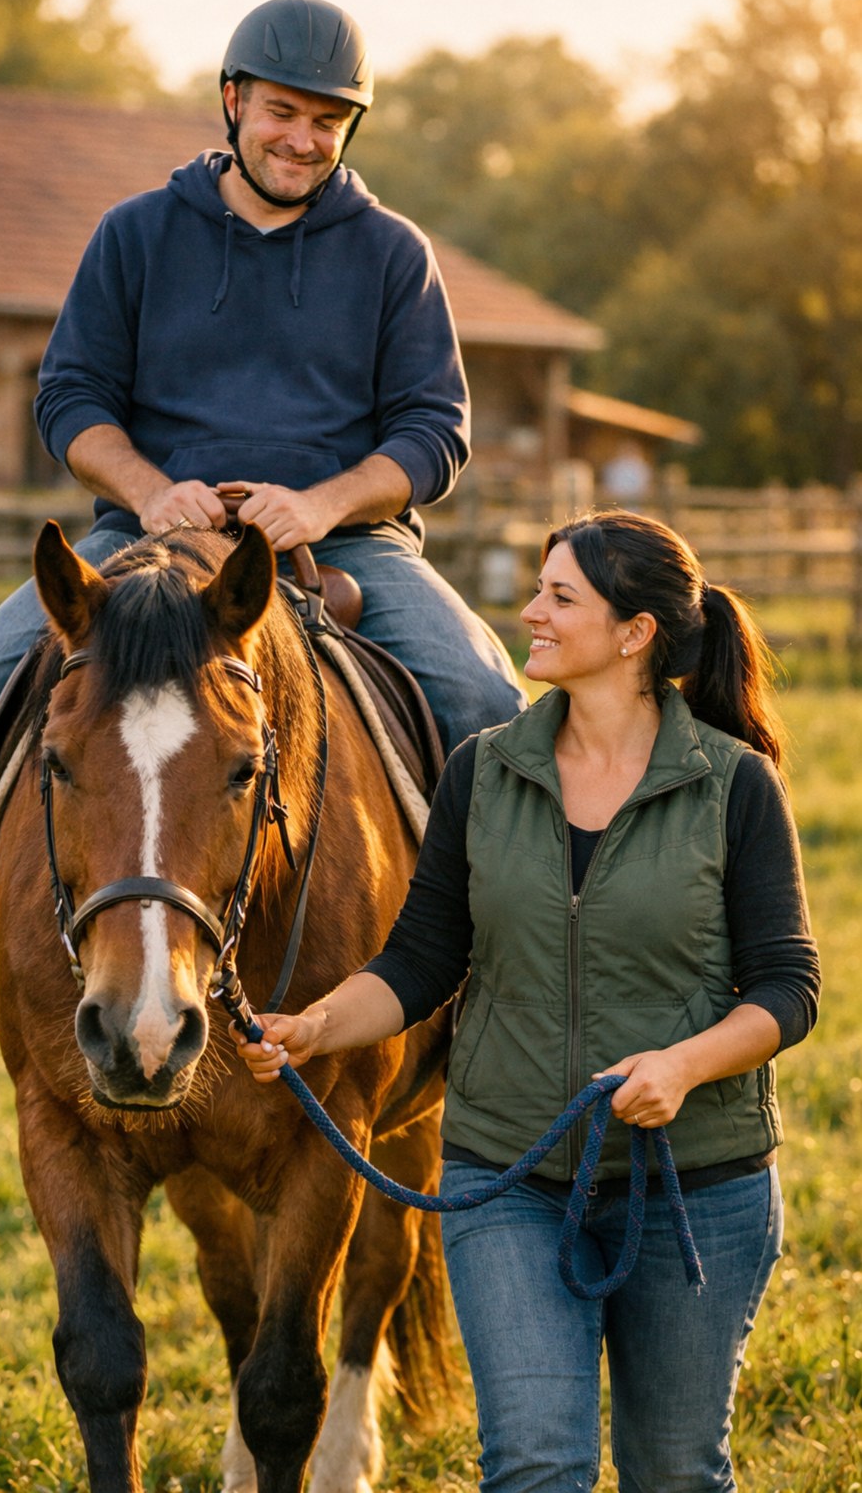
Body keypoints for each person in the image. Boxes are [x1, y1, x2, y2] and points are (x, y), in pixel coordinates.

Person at [0, 0, 525, 1081]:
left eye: (328, 120)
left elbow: (434, 432)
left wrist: (324, 502)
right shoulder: (136, 235)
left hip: (341, 547)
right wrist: (153, 491)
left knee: (488, 703)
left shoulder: (393, 255)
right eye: (282, 111)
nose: (302, 138)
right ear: (231, 102)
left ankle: (496, 983)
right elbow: (70, 397)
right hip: (145, 548)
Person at [234, 508, 820, 1493]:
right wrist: (318, 1025)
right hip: (508, 1178)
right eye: (538, 590)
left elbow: (787, 987)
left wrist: (681, 1066)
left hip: (696, 1185)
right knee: (534, 1466)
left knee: (674, 1469)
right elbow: (420, 962)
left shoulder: (733, 785)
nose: (529, 612)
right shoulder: (483, 772)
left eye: (560, 597)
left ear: (634, 634)